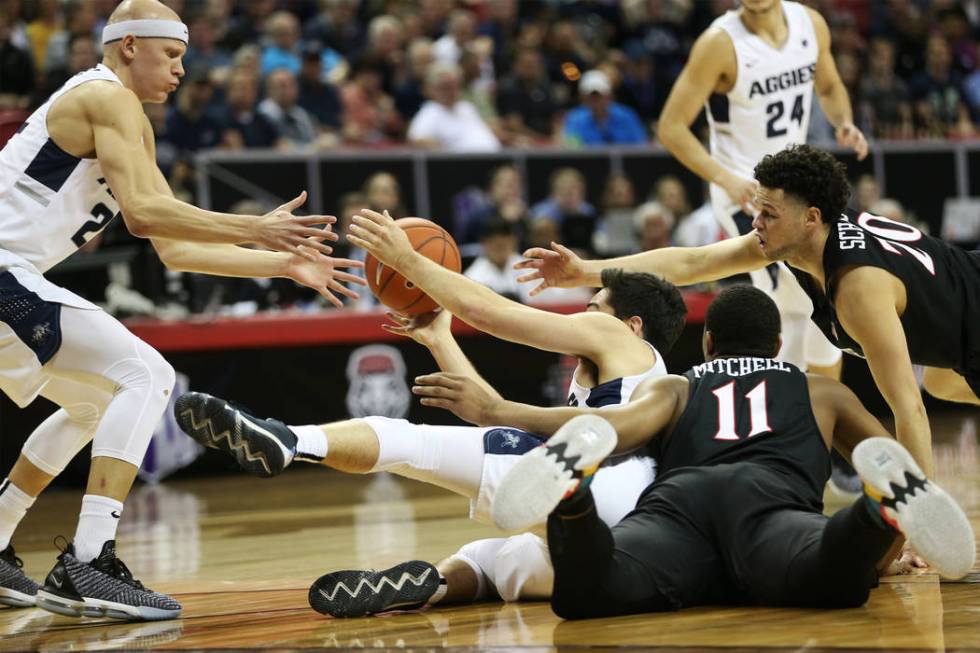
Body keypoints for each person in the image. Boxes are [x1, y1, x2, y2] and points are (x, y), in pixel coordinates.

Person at [0, 0, 364, 621]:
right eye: (171, 55)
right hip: (5, 271)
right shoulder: (104, 96)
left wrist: (282, 263)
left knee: (93, 403)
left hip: (14, 278)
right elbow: (144, 213)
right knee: (147, 374)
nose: (179, 71)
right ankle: (88, 562)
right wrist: (256, 227)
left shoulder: (130, 123)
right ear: (131, 45)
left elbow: (172, 247)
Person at [175, 244, 686, 617]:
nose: (585, 313)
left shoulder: (616, 336)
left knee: (409, 441)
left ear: (632, 323)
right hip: (622, 534)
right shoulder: (640, 376)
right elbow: (486, 409)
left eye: (594, 305)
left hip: (605, 480)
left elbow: (492, 314)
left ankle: (289, 440)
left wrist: (409, 259)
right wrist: (441, 339)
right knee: (487, 560)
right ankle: (435, 584)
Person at [423, 285, 975, 619]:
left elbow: (611, 427)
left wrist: (503, 412)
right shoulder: (820, 391)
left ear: (707, 342)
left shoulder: (677, 386)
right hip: (772, 508)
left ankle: (573, 501)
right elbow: (879, 457)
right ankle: (873, 512)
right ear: (778, 347)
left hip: (679, 510)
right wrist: (881, 556)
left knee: (590, 592)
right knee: (837, 577)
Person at [514, 144, 980, 477]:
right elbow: (692, 261)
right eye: (758, 209)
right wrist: (585, 272)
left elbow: (908, 410)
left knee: (928, 388)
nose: (755, 222)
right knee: (942, 379)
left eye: (769, 213)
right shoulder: (798, 239)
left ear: (810, 218)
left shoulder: (858, 288)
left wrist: (917, 528)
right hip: (961, 325)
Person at [657, 0, 868, 375]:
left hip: (794, 182)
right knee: (789, 294)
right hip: (744, 191)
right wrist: (727, 178)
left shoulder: (811, 24)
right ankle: (792, 414)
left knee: (818, 291)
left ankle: (814, 412)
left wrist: (844, 122)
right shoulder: (719, 43)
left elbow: (831, 85)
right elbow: (671, 127)